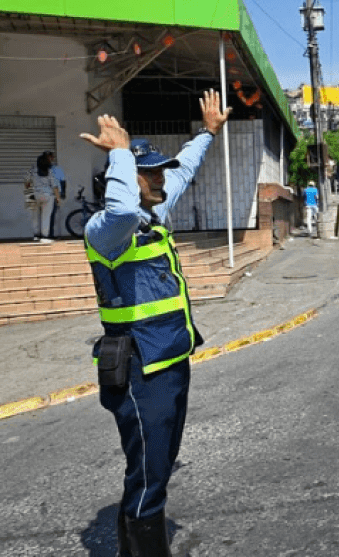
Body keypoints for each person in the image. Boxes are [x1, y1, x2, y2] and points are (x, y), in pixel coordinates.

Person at [81, 88, 228, 557]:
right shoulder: (106, 229)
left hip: (169, 359)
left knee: (156, 467)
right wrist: (122, 154)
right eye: (149, 171)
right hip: (141, 369)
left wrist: (207, 134)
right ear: (126, 177)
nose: (160, 177)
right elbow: (122, 206)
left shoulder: (151, 213)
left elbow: (181, 173)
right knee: (148, 477)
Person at [23, 151, 61, 243]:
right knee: (46, 216)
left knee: (35, 217)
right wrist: (58, 198)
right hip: (47, 196)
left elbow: (27, 183)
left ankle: (36, 235)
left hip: (34, 195)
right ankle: (45, 236)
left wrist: (30, 188)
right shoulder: (50, 171)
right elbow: (54, 186)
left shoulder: (32, 170)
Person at [43, 150, 66, 238]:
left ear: (52, 158)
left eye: (50, 157)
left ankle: (50, 234)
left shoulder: (57, 169)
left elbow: (63, 181)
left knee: (52, 214)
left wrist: (63, 192)